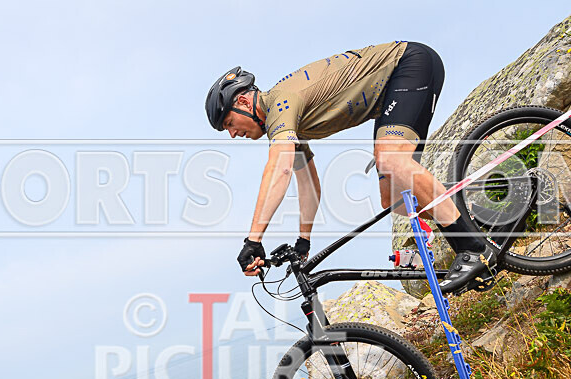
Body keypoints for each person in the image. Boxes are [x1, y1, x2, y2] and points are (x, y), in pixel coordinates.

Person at [205, 41, 496, 294]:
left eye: (229, 123)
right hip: (390, 96)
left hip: (409, 65)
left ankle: (472, 247)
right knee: (394, 199)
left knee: (391, 160)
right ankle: (483, 216)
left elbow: (278, 170)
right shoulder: (285, 125)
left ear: (243, 101)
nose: (232, 134)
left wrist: (253, 240)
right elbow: (307, 183)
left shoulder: (281, 105)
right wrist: (304, 240)